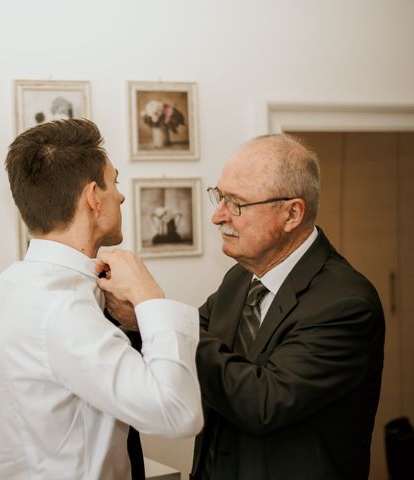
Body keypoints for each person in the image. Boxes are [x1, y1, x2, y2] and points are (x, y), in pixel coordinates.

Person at [102, 134, 385, 480]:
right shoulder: (240, 279)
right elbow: (189, 344)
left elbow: (262, 402)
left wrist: (152, 309)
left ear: (292, 213)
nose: (218, 216)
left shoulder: (346, 303)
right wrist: (131, 313)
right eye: (220, 197)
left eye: (236, 203)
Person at [0, 118, 203, 480]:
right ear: (92, 197)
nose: (120, 195)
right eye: (114, 182)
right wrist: (148, 296)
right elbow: (178, 413)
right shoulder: (65, 310)